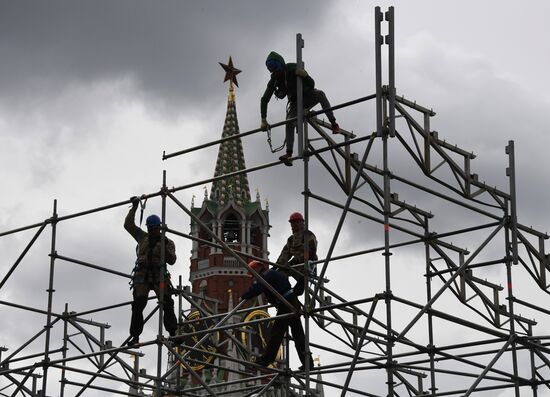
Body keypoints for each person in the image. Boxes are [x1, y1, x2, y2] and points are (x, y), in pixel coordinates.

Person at [260, 51, 340, 166]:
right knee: (289, 122)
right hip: (296, 103)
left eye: (275, 66)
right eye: (270, 68)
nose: (274, 70)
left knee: (321, 94)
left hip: (308, 96)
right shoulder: (274, 80)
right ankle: (289, 153)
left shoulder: (292, 68)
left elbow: (312, 84)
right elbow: (264, 99)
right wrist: (263, 119)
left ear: (281, 64)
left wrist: (305, 76)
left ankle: (334, 123)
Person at [124, 196, 178, 346]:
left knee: (167, 302)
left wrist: (164, 247)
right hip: (142, 275)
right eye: (151, 228)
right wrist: (134, 207)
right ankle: (135, 337)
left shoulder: (167, 241)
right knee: (138, 304)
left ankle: (173, 333)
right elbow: (128, 225)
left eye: (155, 228)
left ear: (159, 227)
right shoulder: (143, 237)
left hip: (159, 275)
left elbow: (172, 260)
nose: (153, 231)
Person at [241, 260, 314, 370]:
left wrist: (245, 296)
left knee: (277, 333)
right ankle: (308, 363)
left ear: (257, 269)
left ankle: (266, 360)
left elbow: (258, 288)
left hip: (285, 303)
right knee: (298, 335)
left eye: (253, 273)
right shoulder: (273, 274)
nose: (254, 277)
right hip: (292, 302)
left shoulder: (267, 275)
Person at [276, 212, 318, 296]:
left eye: (296, 222)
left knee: (305, 274)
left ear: (302, 223)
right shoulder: (291, 239)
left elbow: (311, 251)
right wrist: (277, 265)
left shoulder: (308, 235)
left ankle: (299, 292)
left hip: (308, 261)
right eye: (292, 223)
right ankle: (286, 290)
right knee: (280, 271)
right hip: (296, 262)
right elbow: (285, 254)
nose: (293, 225)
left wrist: (304, 260)